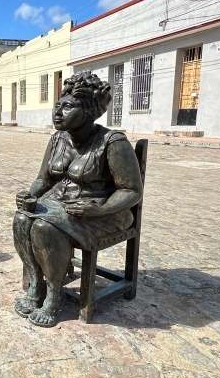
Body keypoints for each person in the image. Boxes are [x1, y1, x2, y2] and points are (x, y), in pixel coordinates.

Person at [12, 71, 143, 327]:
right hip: (61, 206)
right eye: (57, 106)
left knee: (43, 227)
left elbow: (131, 191)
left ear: (90, 110)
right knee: (20, 219)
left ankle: (53, 296)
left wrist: (100, 209)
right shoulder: (58, 139)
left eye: (68, 107)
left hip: (103, 213)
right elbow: (44, 179)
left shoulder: (112, 142)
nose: (57, 113)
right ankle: (36, 283)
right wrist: (31, 194)